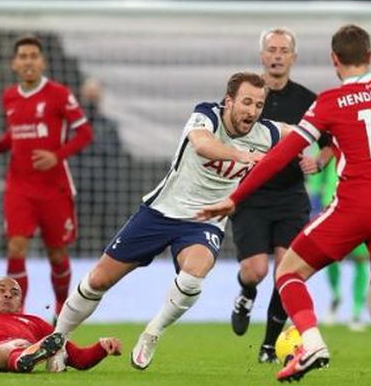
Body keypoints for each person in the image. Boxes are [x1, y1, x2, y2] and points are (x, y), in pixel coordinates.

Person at [198, 25, 371, 384]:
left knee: (288, 272)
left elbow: (281, 156)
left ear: (334, 60)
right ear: (370, 57)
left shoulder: (330, 102)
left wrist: (234, 196)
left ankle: (312, 344)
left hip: (357, 207)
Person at [51, 72, 286, 371]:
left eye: (259, 105)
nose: (252, 111)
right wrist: (243, 156)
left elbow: (306, 132)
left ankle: (152, 332)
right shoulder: (206, 115)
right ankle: (57, 340)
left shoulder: (268, 133)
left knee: (194, 273)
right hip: (160, 212)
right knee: (98, 280)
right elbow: (202, 145)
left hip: (204, 222)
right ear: (229, 101)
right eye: (247, 102)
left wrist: (323, 152)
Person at [229, 28, 326, 363]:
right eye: (271, 49)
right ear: (262, 56)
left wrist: (319, 160)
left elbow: (329, 144)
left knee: (287, 271)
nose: (277, 55)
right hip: (252, 194)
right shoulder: (247, 96)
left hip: (290, 198)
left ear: (293, 58)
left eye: (284, 50)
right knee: (255, 270)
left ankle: (270, 346)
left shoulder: (308, 100)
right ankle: (246, 292)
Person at [0, 36, 93, 317]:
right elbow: (16, 134)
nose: (28, 61)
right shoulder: (9, 96)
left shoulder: (59, 93)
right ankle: (15, 315)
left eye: (33, 56)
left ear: (42, 62)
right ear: (14, 63)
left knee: (56, 253)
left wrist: (57, 155)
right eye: (23, 56)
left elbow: (85, 134)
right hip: (19, 187)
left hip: (54, 188)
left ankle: (61, 310)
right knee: (16, 247)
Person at [306, 153, 369, 331]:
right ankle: (336, 296)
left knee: (361, 260)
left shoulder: (366, 144)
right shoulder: (333, 142)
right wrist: (315, 201)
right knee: (328, 257)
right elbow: (318, 172)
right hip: (332, 207)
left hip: (360, 209)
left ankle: (357, 312)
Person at [74, 78, 128, 243]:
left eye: (94, 93)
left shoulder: (109, 126)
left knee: (108, 229)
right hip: (78, 185)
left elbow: (115, 154)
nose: (91, 97)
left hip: (102, 187)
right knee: (76, 229)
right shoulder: (72, 127)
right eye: (88, 93)